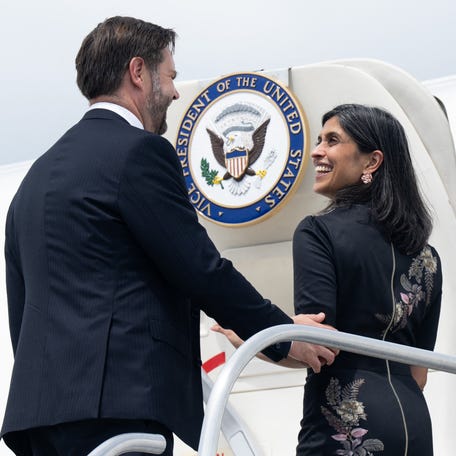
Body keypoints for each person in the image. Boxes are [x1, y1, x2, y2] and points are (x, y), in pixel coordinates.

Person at [0, 16, 337, 456]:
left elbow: (23, 309)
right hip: (119, 412)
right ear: (138, 73)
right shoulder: (139, 152)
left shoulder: (33, 179)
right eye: (170, 76)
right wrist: (282, 333)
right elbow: (199, 267)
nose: (176, 92)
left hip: (39, 420)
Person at [292, 104, 442, 455]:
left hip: (346, 421)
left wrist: (256, 335)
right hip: (412, 425)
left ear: (371, 162)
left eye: (332, 140)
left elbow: (317, 347)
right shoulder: (427, 257)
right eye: (319, 140)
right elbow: (419, 372)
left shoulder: (318, 233)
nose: (317, 151)